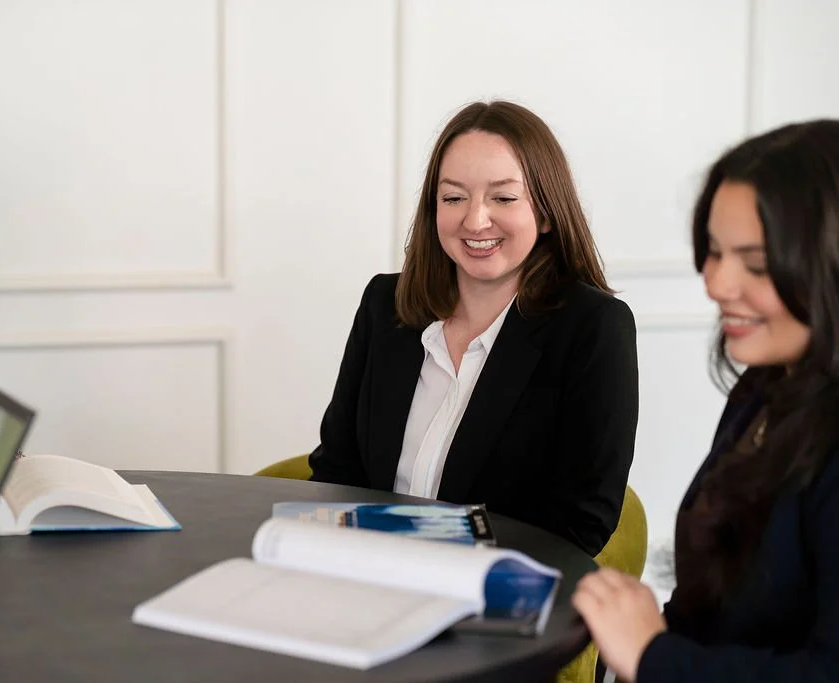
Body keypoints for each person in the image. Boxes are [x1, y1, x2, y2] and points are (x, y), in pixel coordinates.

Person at [308, 100, 639, 556]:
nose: (475, 220)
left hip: (490, 592)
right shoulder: (384, 305)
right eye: (453, 197)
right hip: (367, 577)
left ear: (545, 212)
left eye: (503, 198)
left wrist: (417, 547)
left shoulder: (593, 328)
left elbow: (581, 523)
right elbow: (336, 473)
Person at [573, 120, 839, 682]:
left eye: (756, 263)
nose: (716, 283)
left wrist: (652, 655)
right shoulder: (762, 390)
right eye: (713, 253)